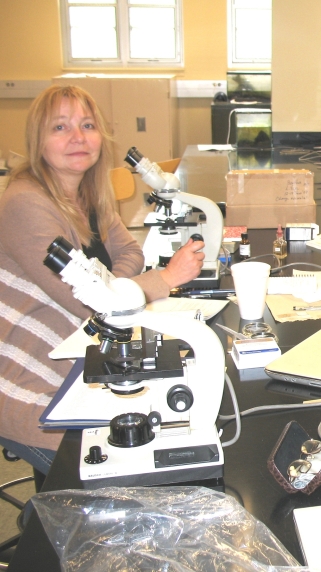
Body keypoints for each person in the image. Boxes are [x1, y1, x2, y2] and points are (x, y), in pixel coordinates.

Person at [0, 85, 206, 474]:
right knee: (116, 472)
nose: (78, 137)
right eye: (60, 127)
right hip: (33, 377)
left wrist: (111, 289)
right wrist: (161, 280)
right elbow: (86, 304)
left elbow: (131, 253)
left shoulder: (88, 194)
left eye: (87, 125)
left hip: (85, 351)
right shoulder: (25, 204)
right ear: (37, 141)